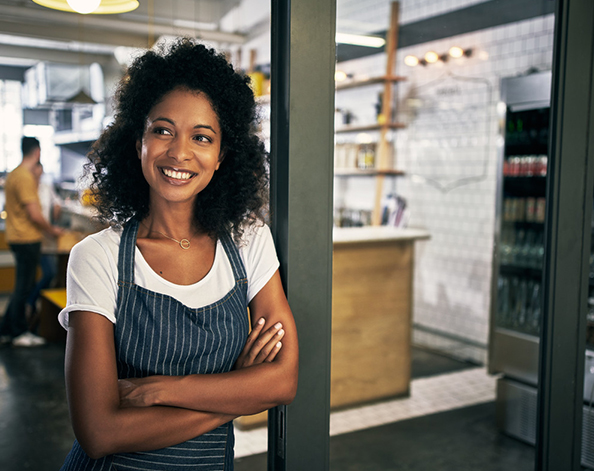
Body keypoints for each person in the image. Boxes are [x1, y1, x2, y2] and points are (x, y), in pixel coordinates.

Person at [58, 38, 298, 469]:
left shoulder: (248, 240)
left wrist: (162, 390)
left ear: (222, 155)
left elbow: (282, 381)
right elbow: (99, 433)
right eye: (162, 130)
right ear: (139, 143)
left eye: (201, 136)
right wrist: (236, 392)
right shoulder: (97, 257)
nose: (179, 152)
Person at [0, 137, 62, 347]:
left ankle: (6, 329)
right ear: (37, 152)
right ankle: (19, 333)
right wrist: (52, 230)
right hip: (27, 238)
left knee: (21, 286)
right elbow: (35, 214)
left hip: (17, 237)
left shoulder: (15, 174)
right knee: (23, 288)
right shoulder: (25, 177)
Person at [26, 162, 61, 329]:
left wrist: (56, 208)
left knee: (50, 274)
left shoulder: (46, 187)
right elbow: (34, 216)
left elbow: (56, 202)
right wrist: (50, 229)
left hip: (47, 237)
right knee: (49, 272)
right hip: (35, 237)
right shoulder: (29, 188)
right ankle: (30, 302)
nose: (37, 173)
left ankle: (34, 305)